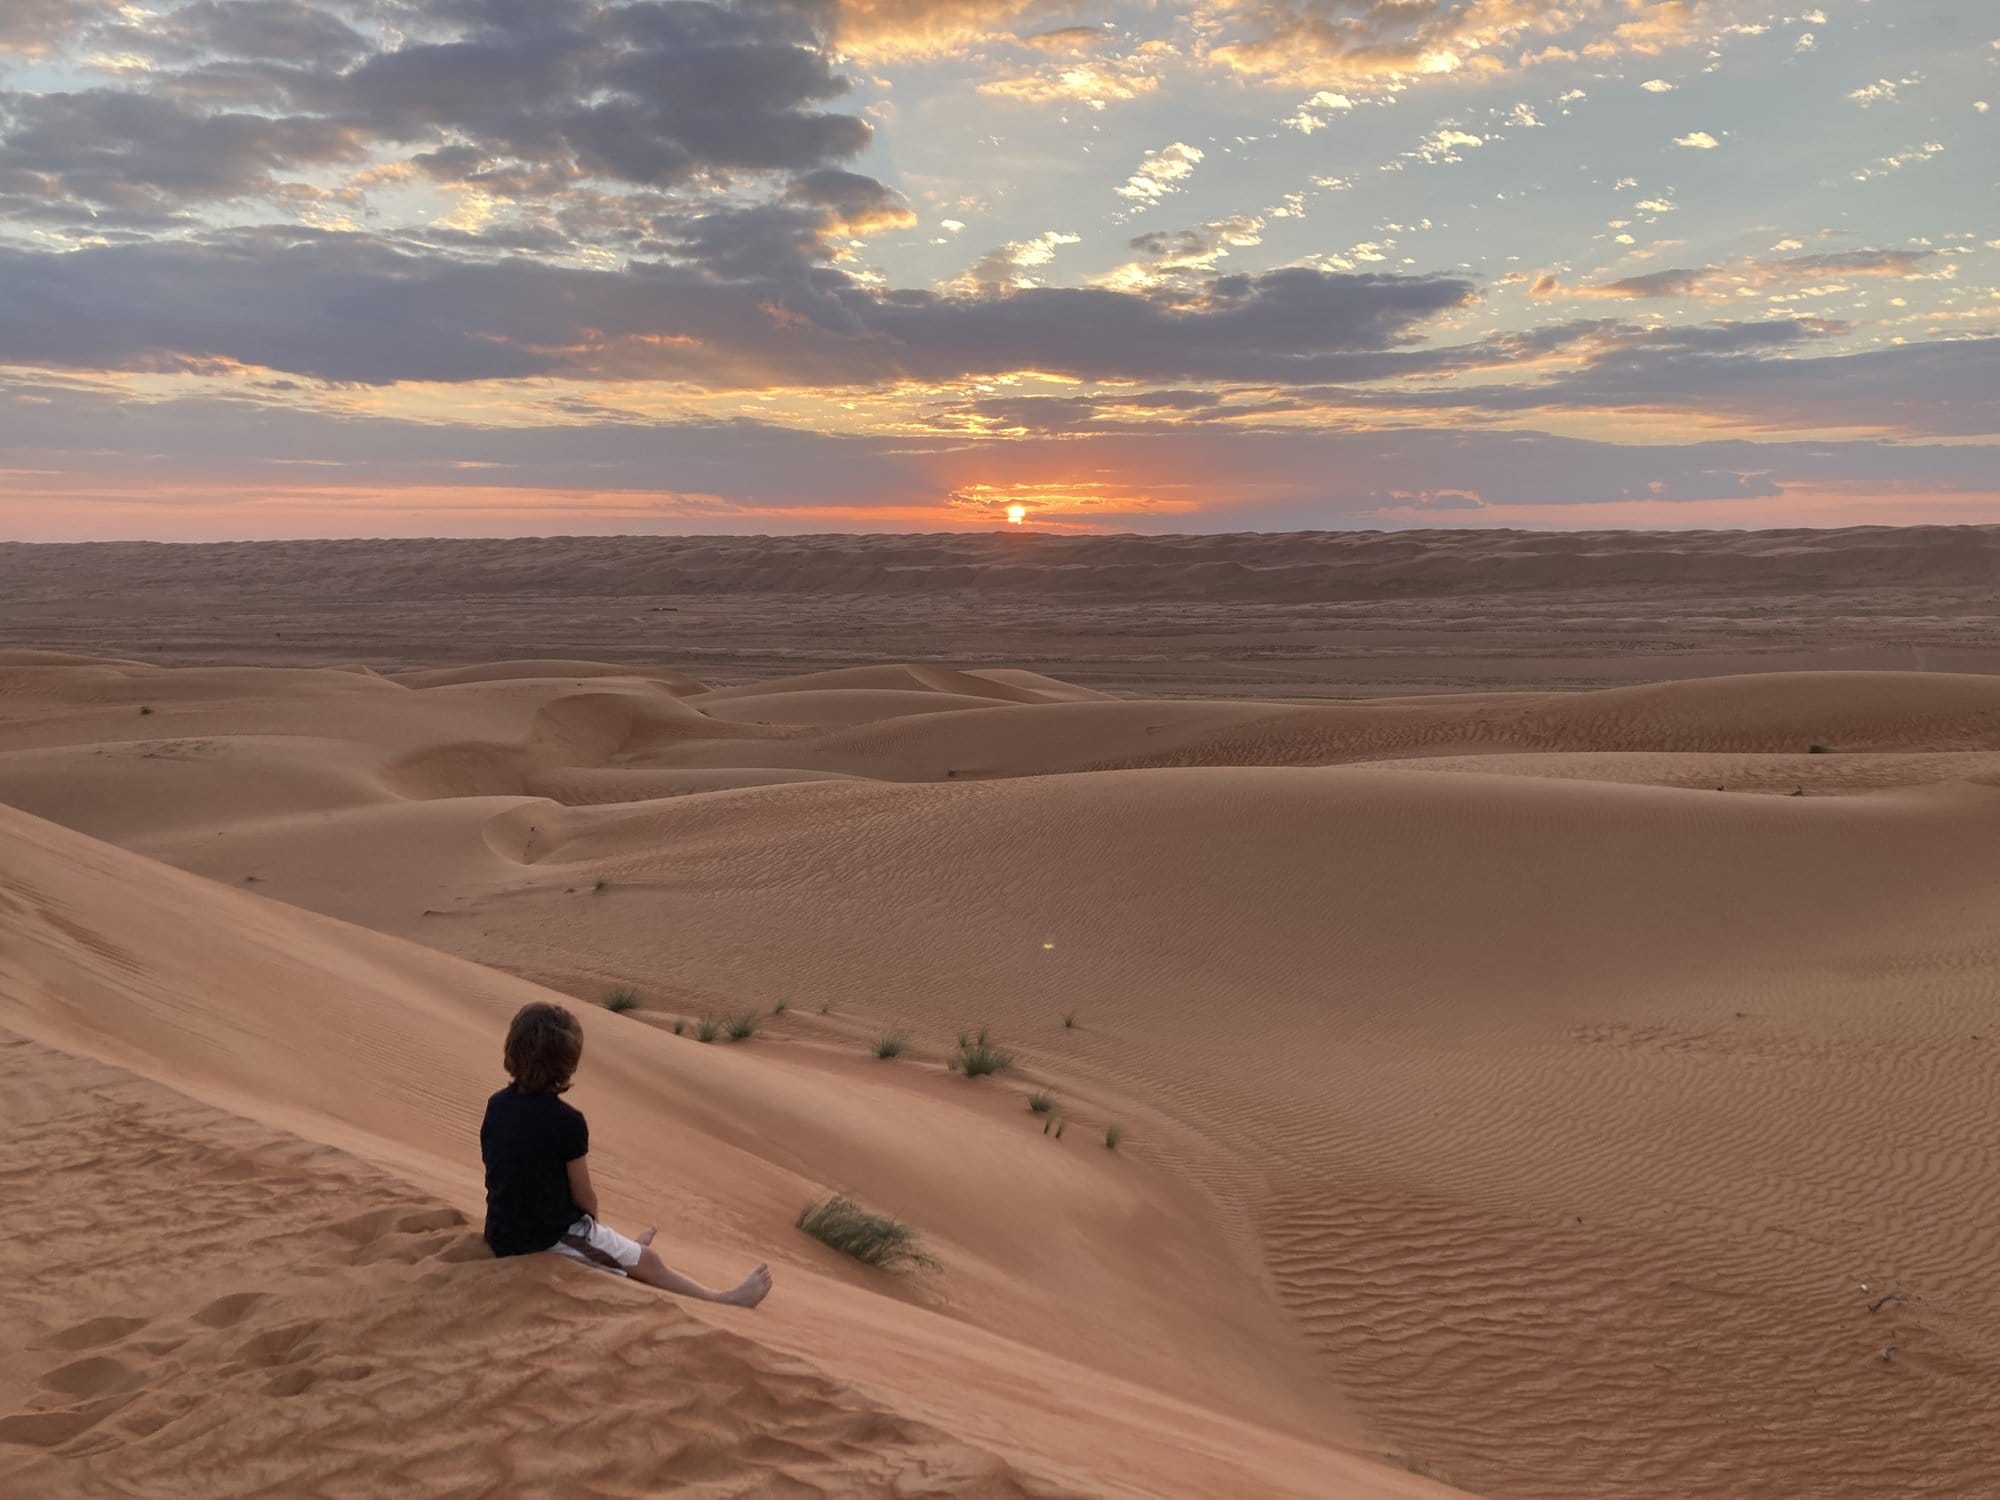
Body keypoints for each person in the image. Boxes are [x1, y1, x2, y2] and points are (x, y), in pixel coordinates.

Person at [480, 1000, 772, 1307]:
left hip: (501, 1229)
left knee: (605, 1244)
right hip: (542, 1239)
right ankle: (726, 1300)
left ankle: (611, 1251)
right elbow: (584, 1198)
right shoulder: (567, 1121)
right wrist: (592, 1231)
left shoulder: (496, 1104)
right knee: (650, 1261)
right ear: (567, 1063)